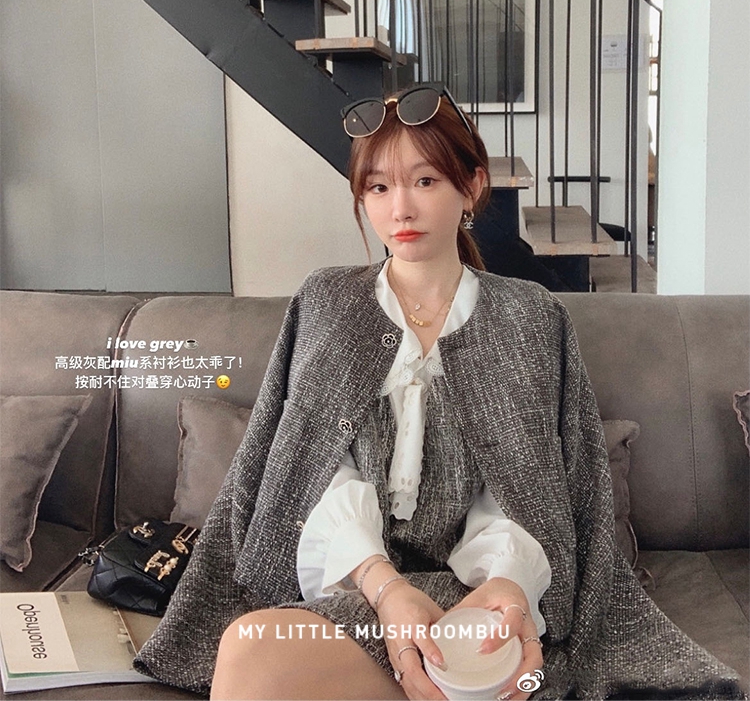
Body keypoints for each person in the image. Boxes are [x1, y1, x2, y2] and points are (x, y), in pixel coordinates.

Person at [134, 85, 745, 701]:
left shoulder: (529, 316)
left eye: (424, 181)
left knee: (497, 668)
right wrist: (386, 589)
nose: (400, 209)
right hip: (355, 588)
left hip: (483, 596)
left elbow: (531, 488)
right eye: (378, 187)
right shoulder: (327, 302)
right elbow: (312, 468)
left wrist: (509, 586)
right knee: (250, 648)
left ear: (472, 186)